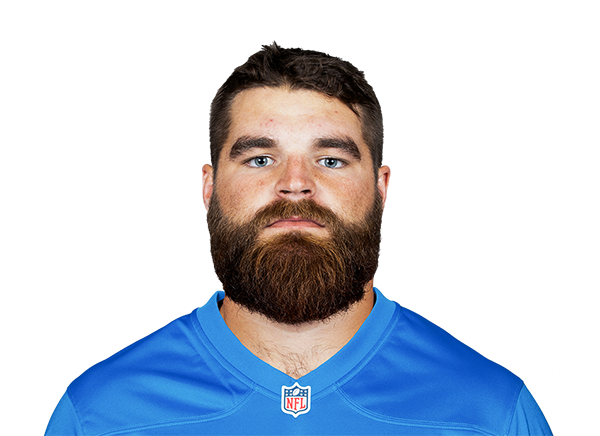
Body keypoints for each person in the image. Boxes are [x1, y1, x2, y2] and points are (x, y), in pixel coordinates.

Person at [45, 45, 552, 435]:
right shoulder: (100, 412)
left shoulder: (491, 411)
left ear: (381, 187)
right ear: (208, 185)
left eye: (330, 159)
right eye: (259, 159)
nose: (295, 183)